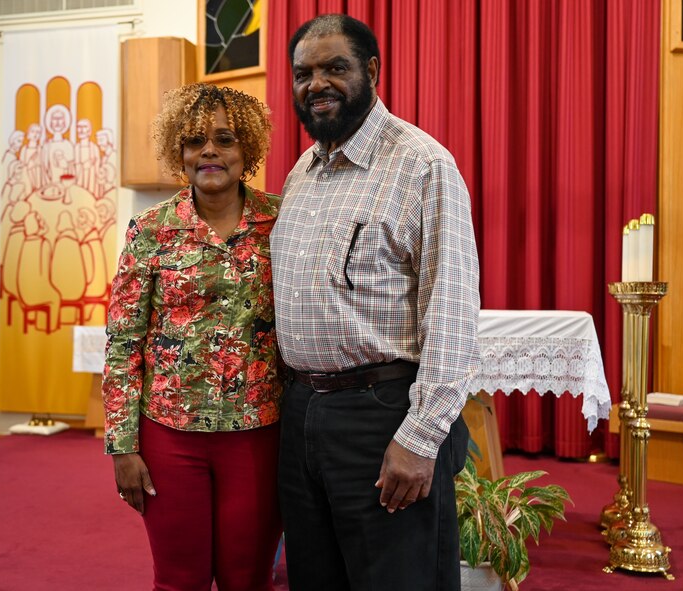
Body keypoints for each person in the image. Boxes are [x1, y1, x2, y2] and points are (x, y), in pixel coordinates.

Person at [270, 14, 481, 591]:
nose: (317, 84)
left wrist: (420, 437)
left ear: (372, 70)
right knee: (316, 578)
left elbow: (454, 312)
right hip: (303, 414)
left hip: (381, 413)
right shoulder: (301, 172)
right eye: (303, 73)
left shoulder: (422, 165)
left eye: (335, 68)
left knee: (398, 579)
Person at [102, 83, 282, 591]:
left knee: (248, 579)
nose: (208, 150)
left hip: (258, 434)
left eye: (224, 139)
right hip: (169, 437)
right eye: (193, 140)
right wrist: (121, 447)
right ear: (177, 152)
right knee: (179, 580)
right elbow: (122, 344)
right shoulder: (150, 230)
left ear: (246, 150)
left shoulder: (281, 220)